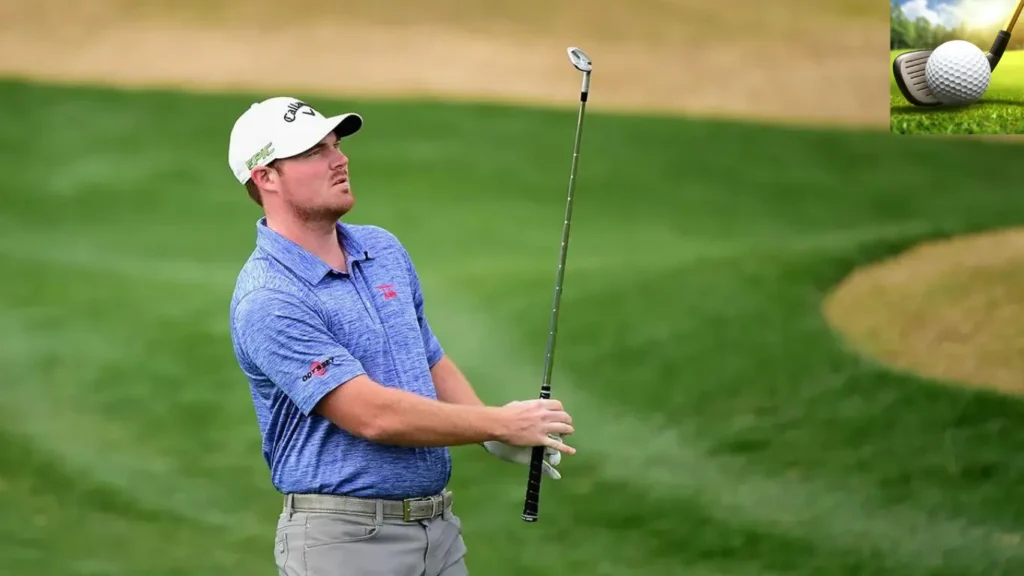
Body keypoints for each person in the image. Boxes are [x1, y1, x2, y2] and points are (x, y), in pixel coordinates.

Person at [225, 96, 576, 576]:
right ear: (265, 177)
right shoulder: (269, 296)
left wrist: (486, 431)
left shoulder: (382, 248)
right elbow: (371, 415)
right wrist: (498, 423)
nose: (339, 159)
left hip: (438, 533)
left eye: (336, 144)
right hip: (343, 546)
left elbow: (427, 356)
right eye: (313, 152)